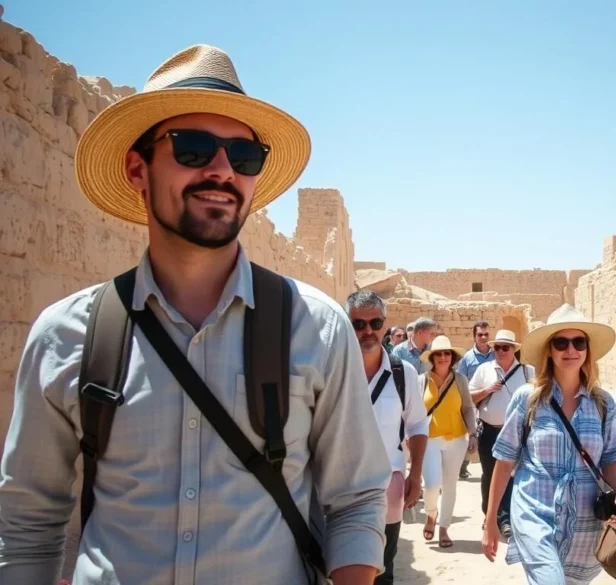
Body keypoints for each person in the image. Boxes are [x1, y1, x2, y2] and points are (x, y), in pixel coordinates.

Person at [0, 45, 391, 585]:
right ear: (138, 169)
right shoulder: (67, 335)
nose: (222, 170)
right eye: (193, 148)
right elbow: (27, 523)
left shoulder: (316, 329)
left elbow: (355, 499)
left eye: (243, 156)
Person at [482, 304, 616, 585]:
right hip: (535, 512)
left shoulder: (602, 403)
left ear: (587, 350)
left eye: (579, 342)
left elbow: (611, 456)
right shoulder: (529, 399)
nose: (570, 350)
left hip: (586, 522)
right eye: (561, 342)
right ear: (549, 350)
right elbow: (504, 462)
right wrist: (491, 520)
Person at [345, 292, 429, 585]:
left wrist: (415, 475)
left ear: (384, 324)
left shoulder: (402, 373)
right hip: (338, 489)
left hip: (387, 489)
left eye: (375, 322)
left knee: (383, 567)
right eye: (358, 324)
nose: (368, 331)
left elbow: (417, 425)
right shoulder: (332, 370)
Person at [468, 329, 533, 537]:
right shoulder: (484, 369)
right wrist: (486, 390)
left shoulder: (527, 372)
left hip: (518, 433)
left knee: (513, 475)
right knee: (489, 475)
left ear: (514, 349)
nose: (501, 351)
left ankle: (505, 518)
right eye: (497, 347)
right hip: (489, 431)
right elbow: (469, 397)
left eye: (505, 347)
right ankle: (490, 516)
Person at [419, 336, 478, 548]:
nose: (443, 357)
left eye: (447, 353)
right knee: (432, 484)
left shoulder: (460, 380)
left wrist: (472, 433)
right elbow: (414, 412)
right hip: (429, 438)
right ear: (433, 357)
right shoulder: (422, 380)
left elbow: (468, 408)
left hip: (456, 438)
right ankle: (431, 514)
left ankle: (444, 528)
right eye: (439, 354)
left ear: (452, 357)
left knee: (450, 485)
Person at [456, 321, 495, 479]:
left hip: (493, 400)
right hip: (472, 401)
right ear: (474, 337)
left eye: (486, 334)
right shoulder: (467, 358)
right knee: (470, 433)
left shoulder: (495, 354)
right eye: (480, 334)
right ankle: (463, 465)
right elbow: (461, 379)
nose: (484, 337)